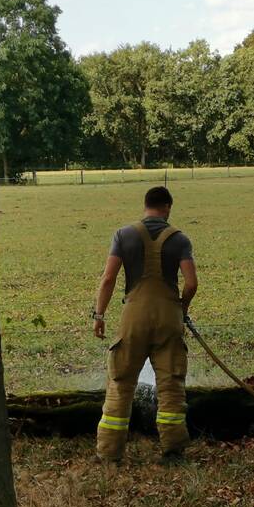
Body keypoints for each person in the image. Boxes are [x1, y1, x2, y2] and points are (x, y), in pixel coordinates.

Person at [91, 186, 198, 465]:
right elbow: (191, 283)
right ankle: (173, 452)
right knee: (171, 385)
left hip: (133, 317)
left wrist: (99, 315)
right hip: (169, 318)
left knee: (121, 382)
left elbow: (108, 279)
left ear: (146, 205)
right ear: (167, 208)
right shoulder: (180, 239)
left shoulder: (123, 235)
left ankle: (109, 453)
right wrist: (180, 309)